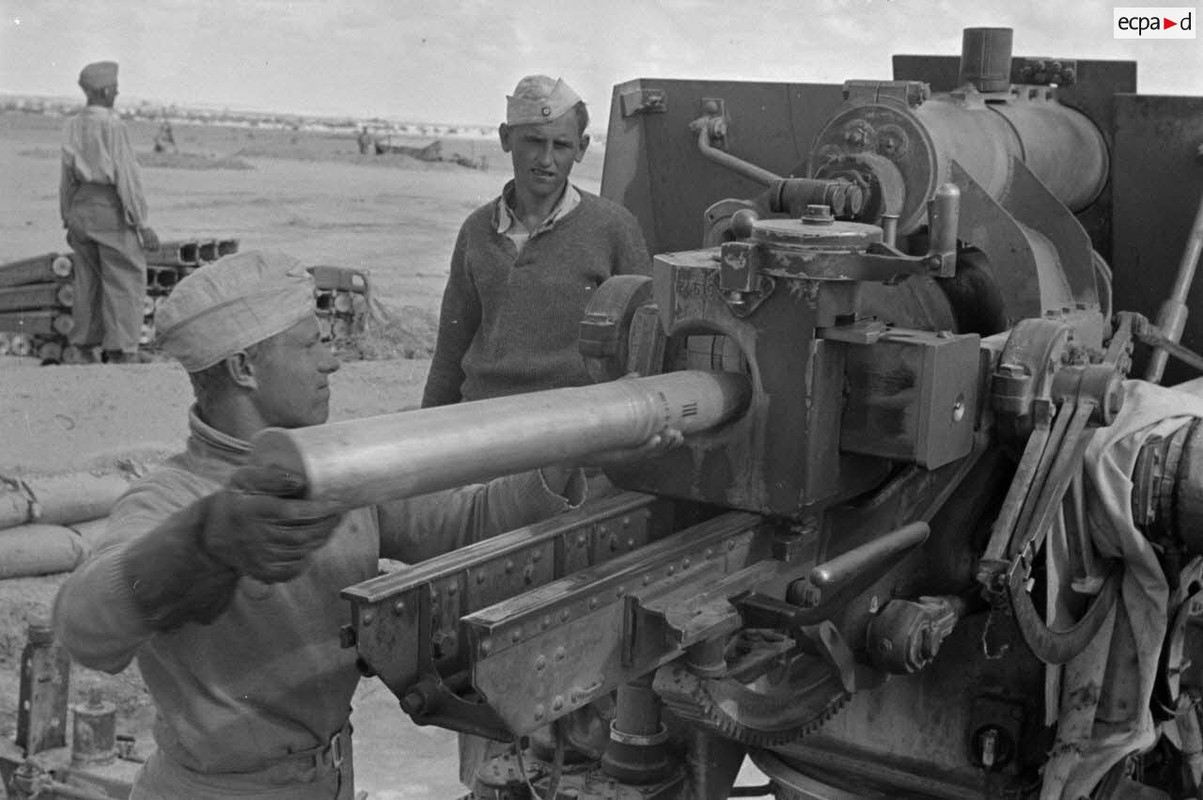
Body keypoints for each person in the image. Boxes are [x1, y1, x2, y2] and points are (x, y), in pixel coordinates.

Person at [52, 250, 677, 800]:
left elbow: (468, 521)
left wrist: (571, 453)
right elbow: (85, 626)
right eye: (309, 343)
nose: (333, 361)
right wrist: (204, 540)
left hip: (329, 778)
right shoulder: (170, 497)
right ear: (244, 368)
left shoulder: (333, 469)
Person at [421, 75, 651, 408]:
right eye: (533, 141)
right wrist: (431, 428)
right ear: (505, 138)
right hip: (480, 414)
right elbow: (451, 347)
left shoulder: (613, 227)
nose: (546, 160)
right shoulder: (476, 230)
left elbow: (644, 335)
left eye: (561, 146)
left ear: (582, 148)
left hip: (571, 425)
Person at [59, 61, 159, 364]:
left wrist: (67, 216)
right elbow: (126, 176)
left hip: (80, 206)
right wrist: (141, 222)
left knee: (86, 278)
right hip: (109, 206)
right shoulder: (113, 125)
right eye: (115, 88)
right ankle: (121, 350)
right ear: (104, 91)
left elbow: (66, 177)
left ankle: (84, 347)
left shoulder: (73, 124)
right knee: (125, 276)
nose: (117, 92)